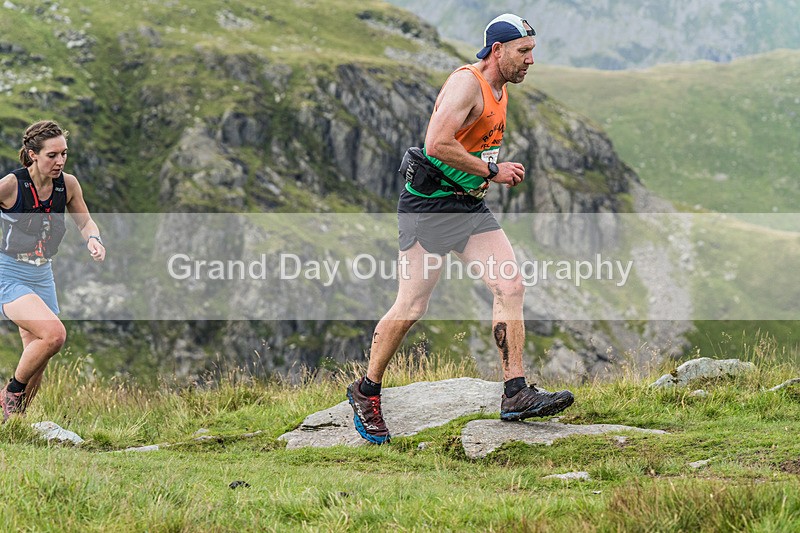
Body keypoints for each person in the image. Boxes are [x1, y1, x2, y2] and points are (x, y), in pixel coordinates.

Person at [347, 14, 574, 443]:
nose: (530, 60)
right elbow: (436, 144)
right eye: (524, 52)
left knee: (510, 285)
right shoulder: (466, 84)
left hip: (468, 207)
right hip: (430, 207)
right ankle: (366, 391)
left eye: (532, 52)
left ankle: (515, 392)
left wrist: (485, 175)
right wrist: (492, 171)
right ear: (497, 50)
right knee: (412, 306)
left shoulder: (501, 89)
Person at [0, 120, 106, 422]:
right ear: (33, 154)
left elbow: (85, 222)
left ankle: (12, 424)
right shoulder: (11, 185)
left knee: (37, 359)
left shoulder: (67, 185)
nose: (60, 161)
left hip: (43, 274)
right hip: (9, 273)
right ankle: (9, 392)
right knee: (55, 335)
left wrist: (94, 240)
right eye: (52, 155)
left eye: (64, 154)